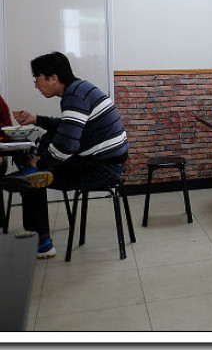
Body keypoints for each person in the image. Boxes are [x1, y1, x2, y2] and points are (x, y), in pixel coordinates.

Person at [6, 52, 129, 259]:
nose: (36, 85)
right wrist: (36, 119)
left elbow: (67, 146)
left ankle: (42, 243)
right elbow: (67, 127)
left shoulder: (74, 96)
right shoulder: (80, 89)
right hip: (108, 162)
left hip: (102, 168)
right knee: (43, 149)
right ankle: (28, 170)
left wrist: (40, 162)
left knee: (33, 178)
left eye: (37, 79)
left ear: (53, 78)